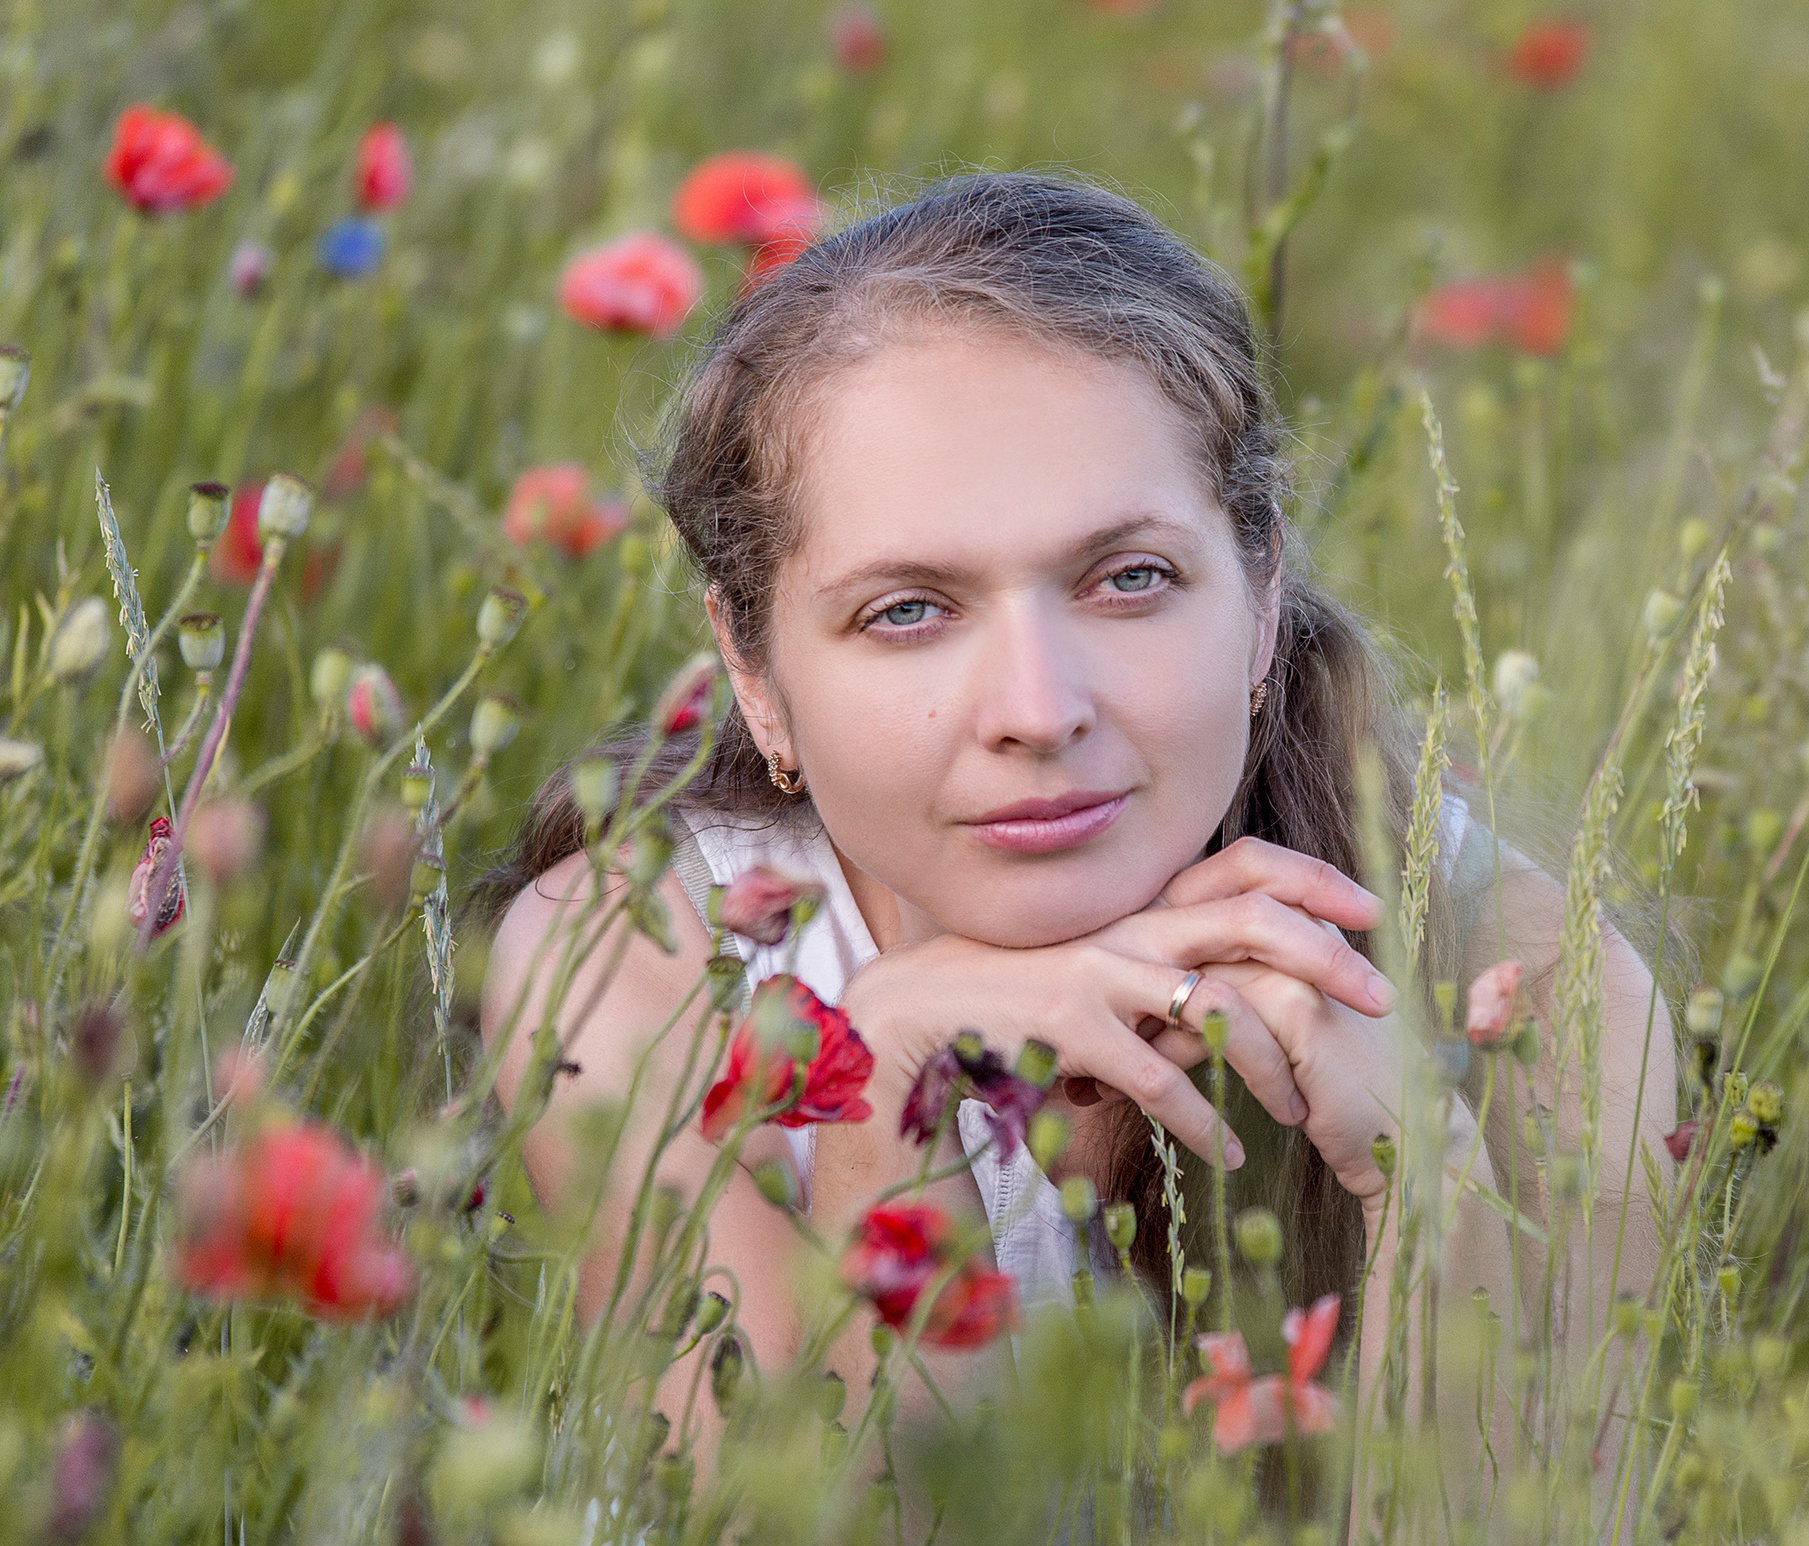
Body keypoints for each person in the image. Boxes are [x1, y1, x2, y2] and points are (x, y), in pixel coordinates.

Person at [479, 171, 1678, 1474]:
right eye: (908, 611)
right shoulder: (639, 971)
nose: (1038, 711)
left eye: (1129, 579)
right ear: (756, 672)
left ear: (1262, 590)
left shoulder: (1518, 981)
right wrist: (882, 1100)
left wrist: (1428, 1187)